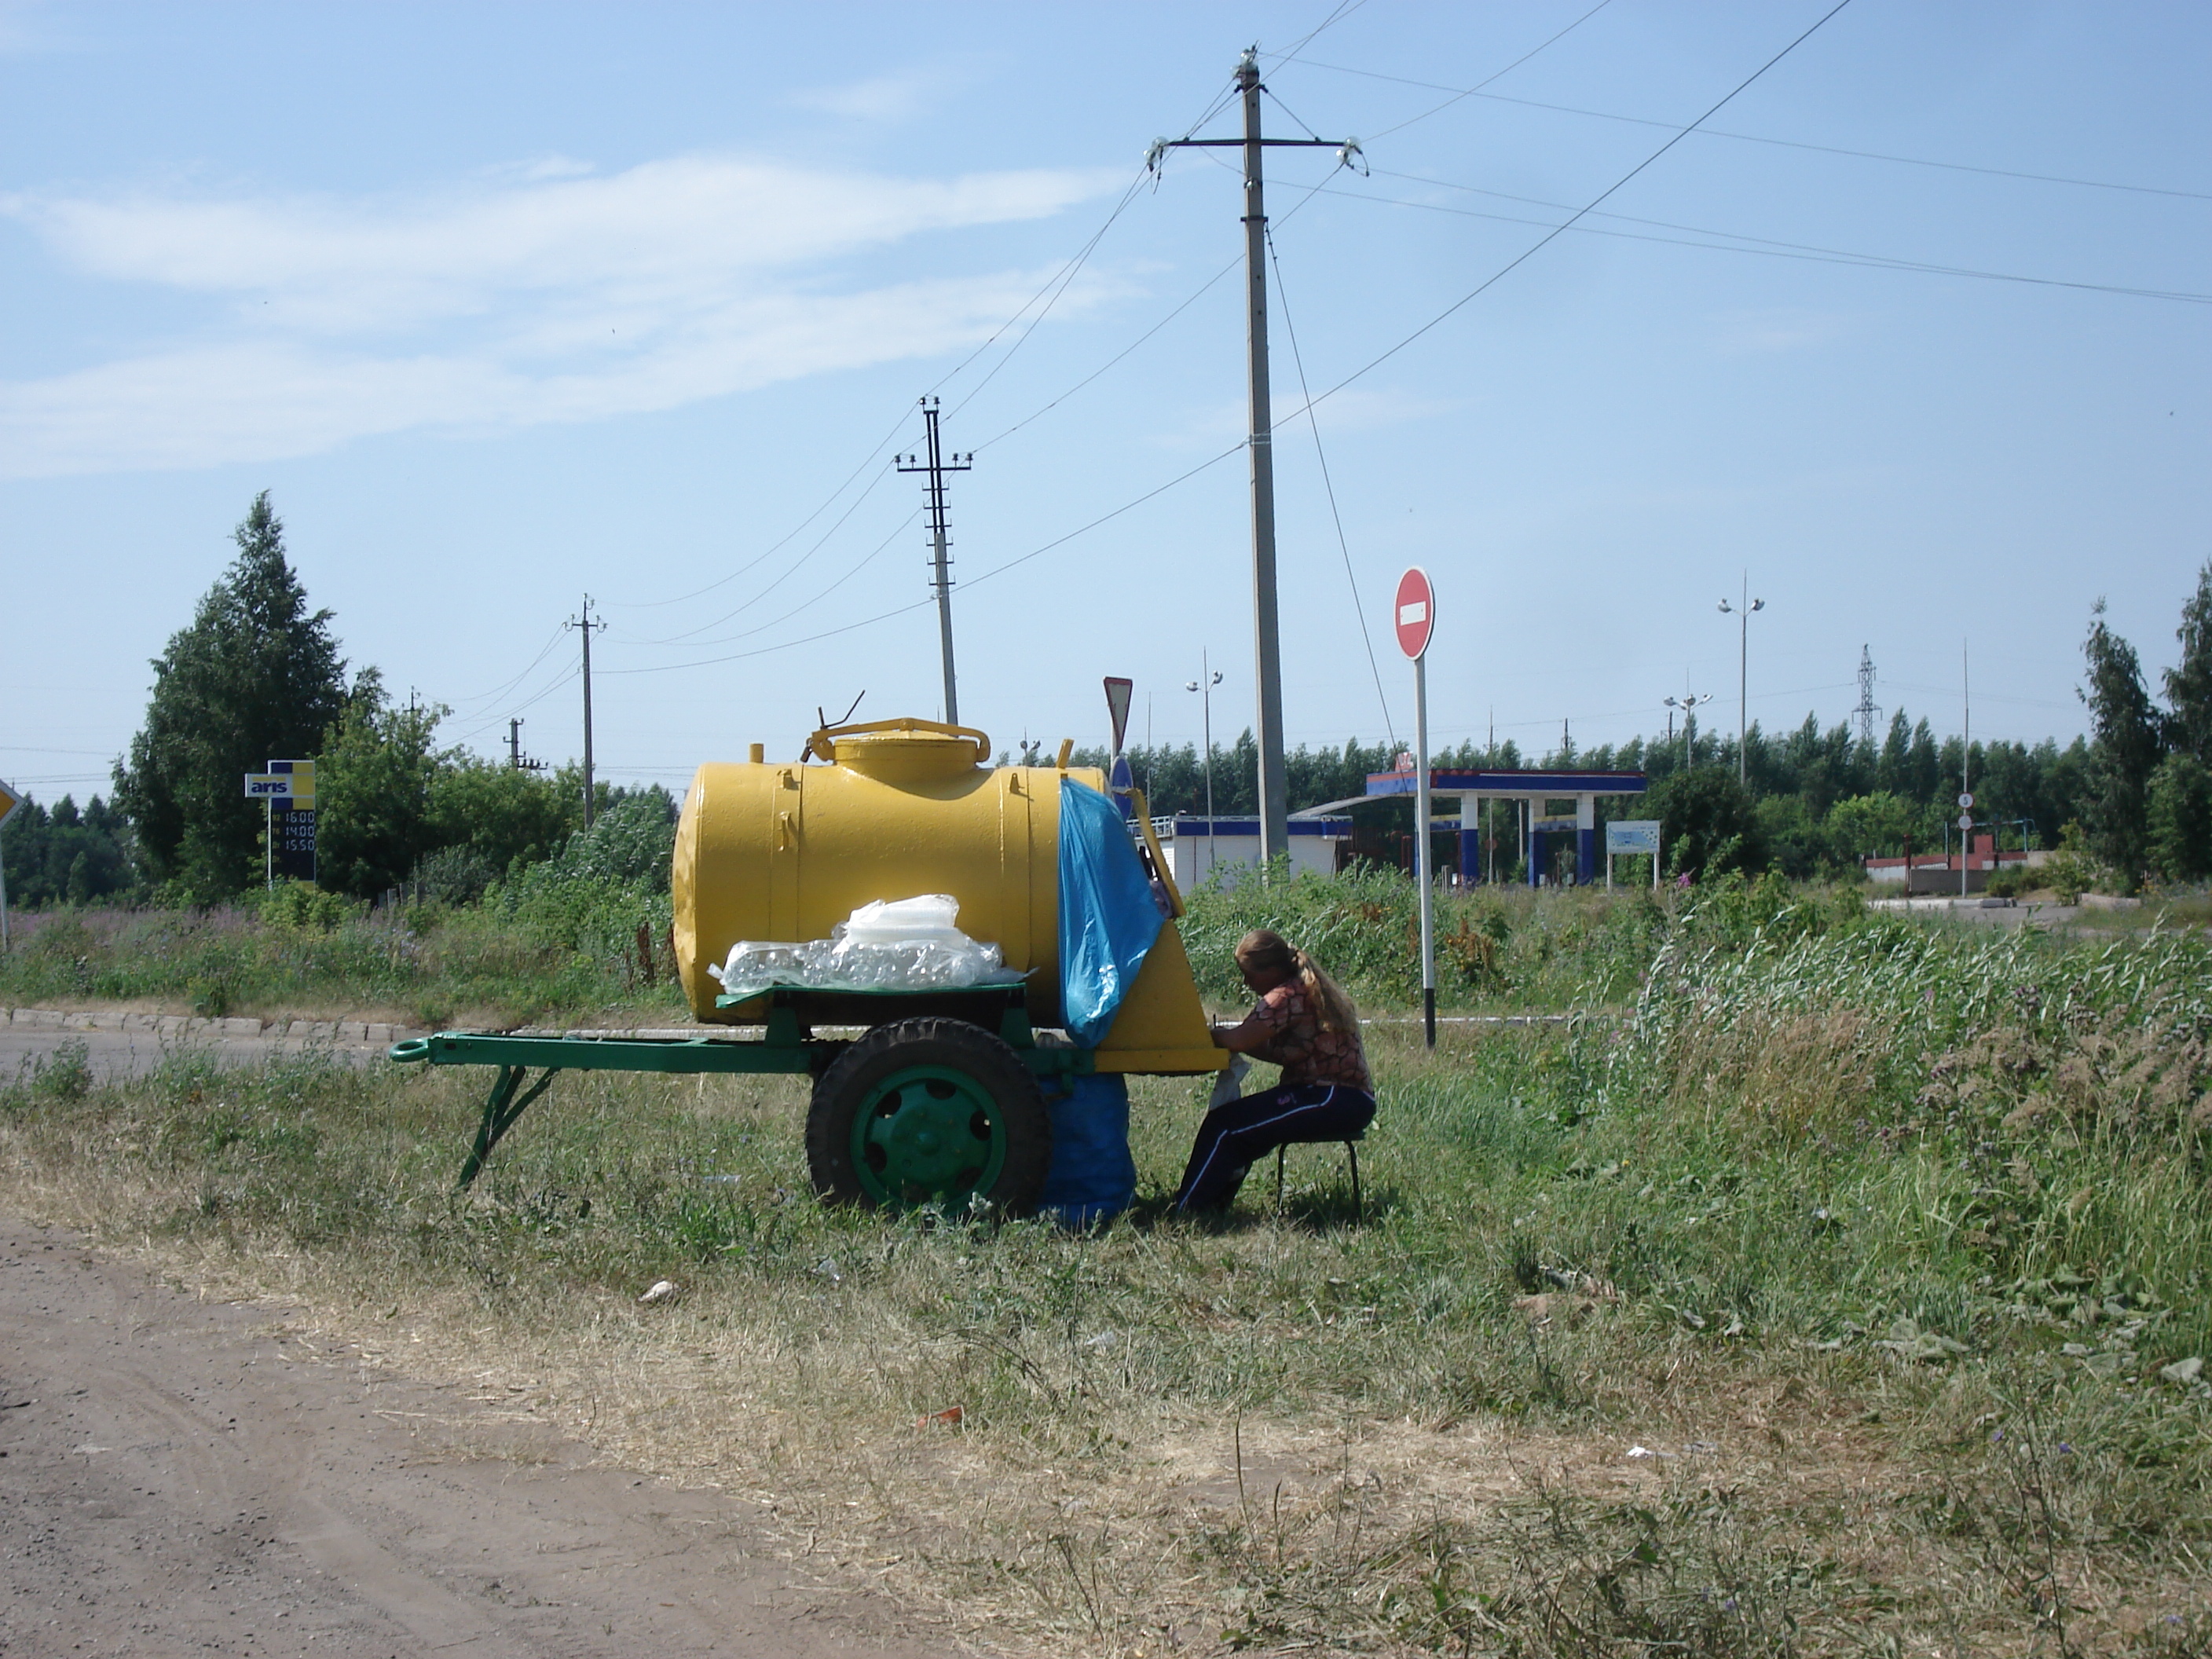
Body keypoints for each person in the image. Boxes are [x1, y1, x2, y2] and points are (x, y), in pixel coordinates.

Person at [1172, 928, 1375, 1213]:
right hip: (1348, 1100)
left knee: (1225, 1127)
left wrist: (1207, 1034)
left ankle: (1188, 1210)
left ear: (1272, 970)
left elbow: (1240, 1040)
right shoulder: (1305, 989)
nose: (1246, 982)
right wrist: (1234, 1041)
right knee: (1238, 1129)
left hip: (1328, 1097)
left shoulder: (1285, 995)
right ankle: (1211, 1206)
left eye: (1250, 975)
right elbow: (1271, 1049)